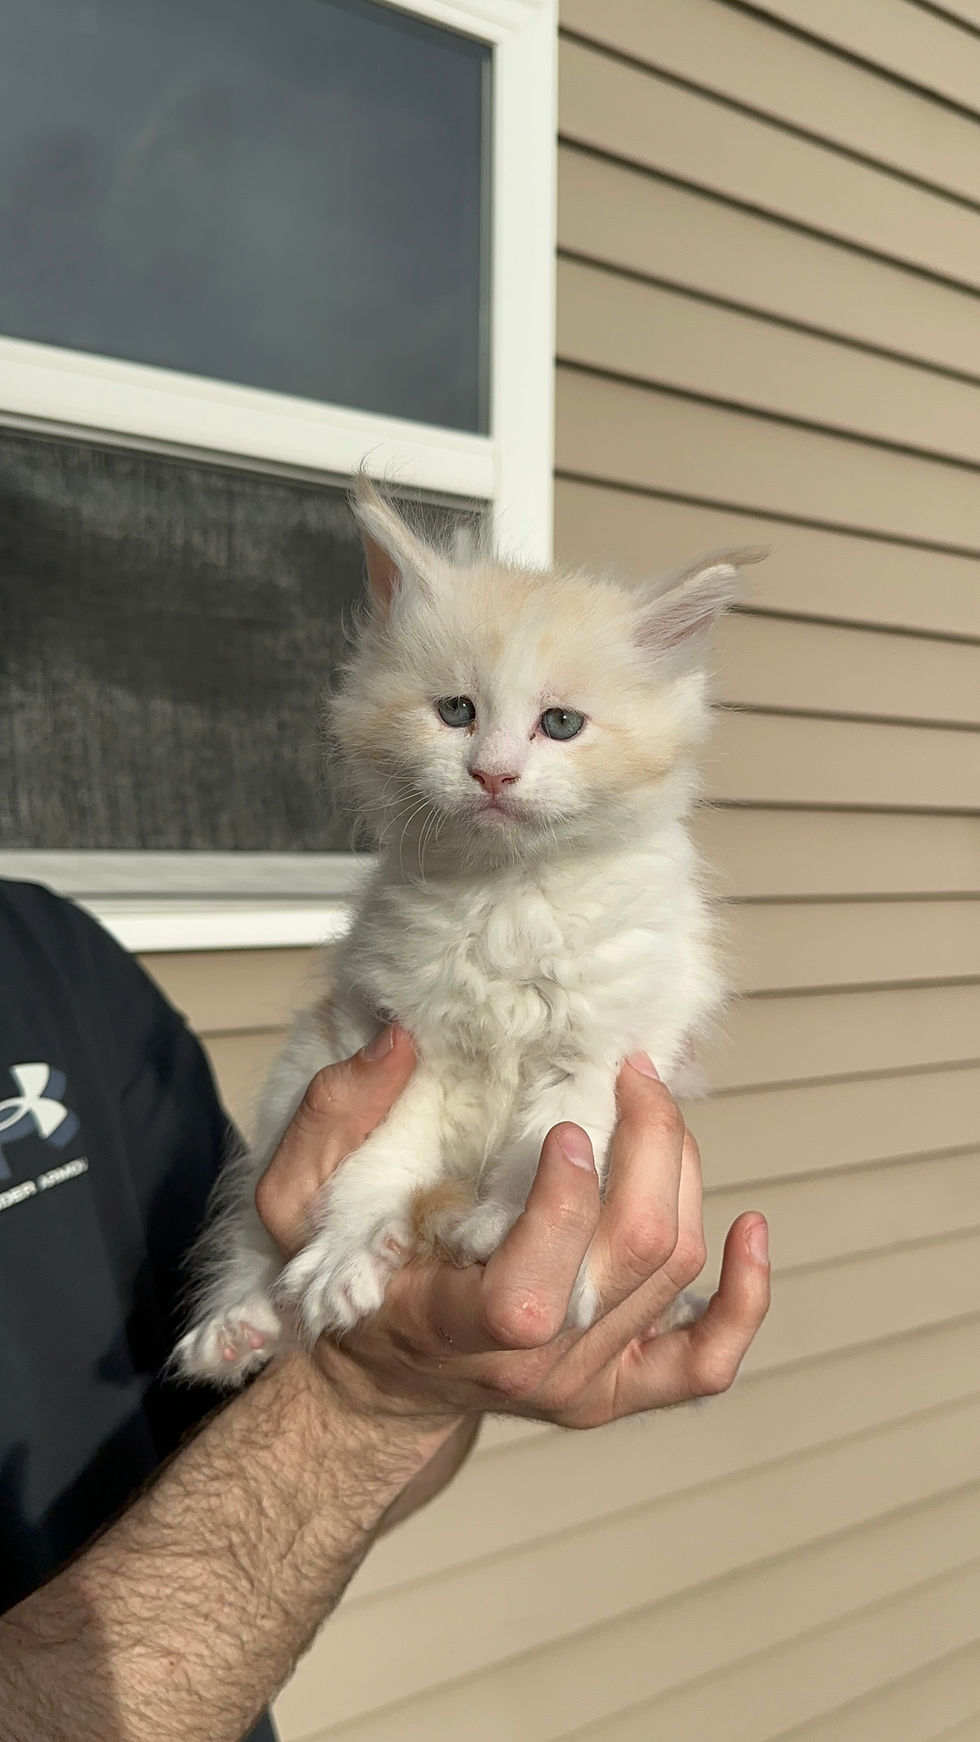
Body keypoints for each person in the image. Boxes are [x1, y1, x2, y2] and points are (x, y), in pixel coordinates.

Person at [0, 878, 770, 1742]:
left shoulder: (52, 958)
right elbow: (324, 1406)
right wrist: (369, 1400)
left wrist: (447, 1353)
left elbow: (241, 1428)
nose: (495, 774)